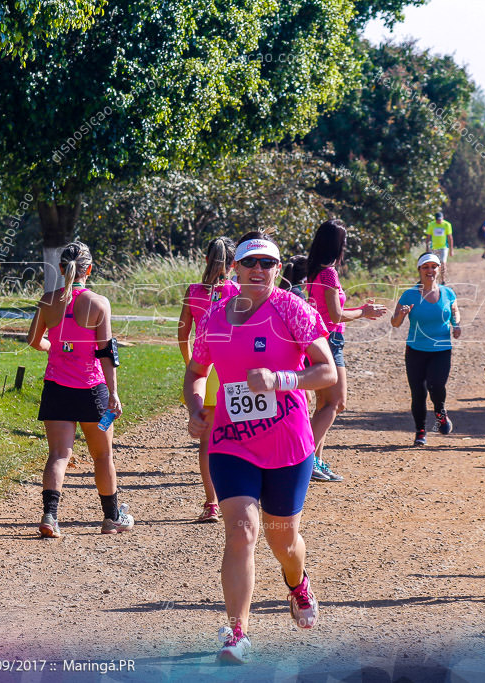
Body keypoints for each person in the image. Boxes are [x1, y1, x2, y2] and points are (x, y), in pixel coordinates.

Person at [184, 235, 337, 663]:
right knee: (241, 531)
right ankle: (237, 633)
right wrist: (196, 406)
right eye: (250, 262)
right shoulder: (214, 317)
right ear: (234, 267)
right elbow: (196, 371)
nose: (258, 269)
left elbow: (326, 372)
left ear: (278, 269)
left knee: (282, 540)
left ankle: (297, 582)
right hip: (231, 443)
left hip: (287, 443)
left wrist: (281, 380)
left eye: (267, 263)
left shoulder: (292, 308)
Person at [27, 240, 130, 538]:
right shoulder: (99, 304)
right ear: (90, 269)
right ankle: (112, 518)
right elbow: (107, 353)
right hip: (92, 392)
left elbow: (34, 340)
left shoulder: (48, 301)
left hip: (56, 389)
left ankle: (50, 516)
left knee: (59, 454)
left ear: (61, 269)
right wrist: (114, 394)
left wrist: (54, 348)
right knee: (103, 455)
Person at [307, 219, 387, 482]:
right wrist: (364, 312)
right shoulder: (328, 273)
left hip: (320, 341)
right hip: (330, 342)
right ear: (337, 244)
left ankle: (314, 461)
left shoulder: (315, 271)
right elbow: (336, 314)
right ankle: (303, 458)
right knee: (337, 403)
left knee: (324, 406)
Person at [177, 237, 239, 523]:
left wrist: (192, 363)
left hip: (204, 371)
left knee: (207, 441)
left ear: (205, 260)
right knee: (240, 436)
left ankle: (211, 503)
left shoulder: (193, 292)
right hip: (231, 370)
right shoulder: (239, 291)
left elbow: (182, 333)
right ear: (234, 263)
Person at [391, 253, 462, 446]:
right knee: (418, 392)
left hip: (441, 348)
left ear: (439, 269)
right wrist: (402, 314)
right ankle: (420, 431)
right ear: (419, 270)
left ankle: (440, 412)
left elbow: (455, 311)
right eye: (425, 267)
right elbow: (395, 323)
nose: (430, 271)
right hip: (416, 349)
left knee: (436, 385)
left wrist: (456, 325)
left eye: (433, 267)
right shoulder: (409, 295)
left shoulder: (448, 293)